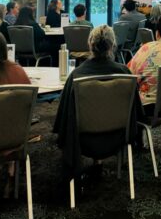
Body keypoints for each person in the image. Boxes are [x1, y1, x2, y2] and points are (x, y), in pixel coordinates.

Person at [53, 25, 134, 174]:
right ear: (113, 45)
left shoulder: (76, 75)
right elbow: (135, 112)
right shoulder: (125, 73)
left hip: (83, 141)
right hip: (119, 137)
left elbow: (64, 117)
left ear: (90, 45)